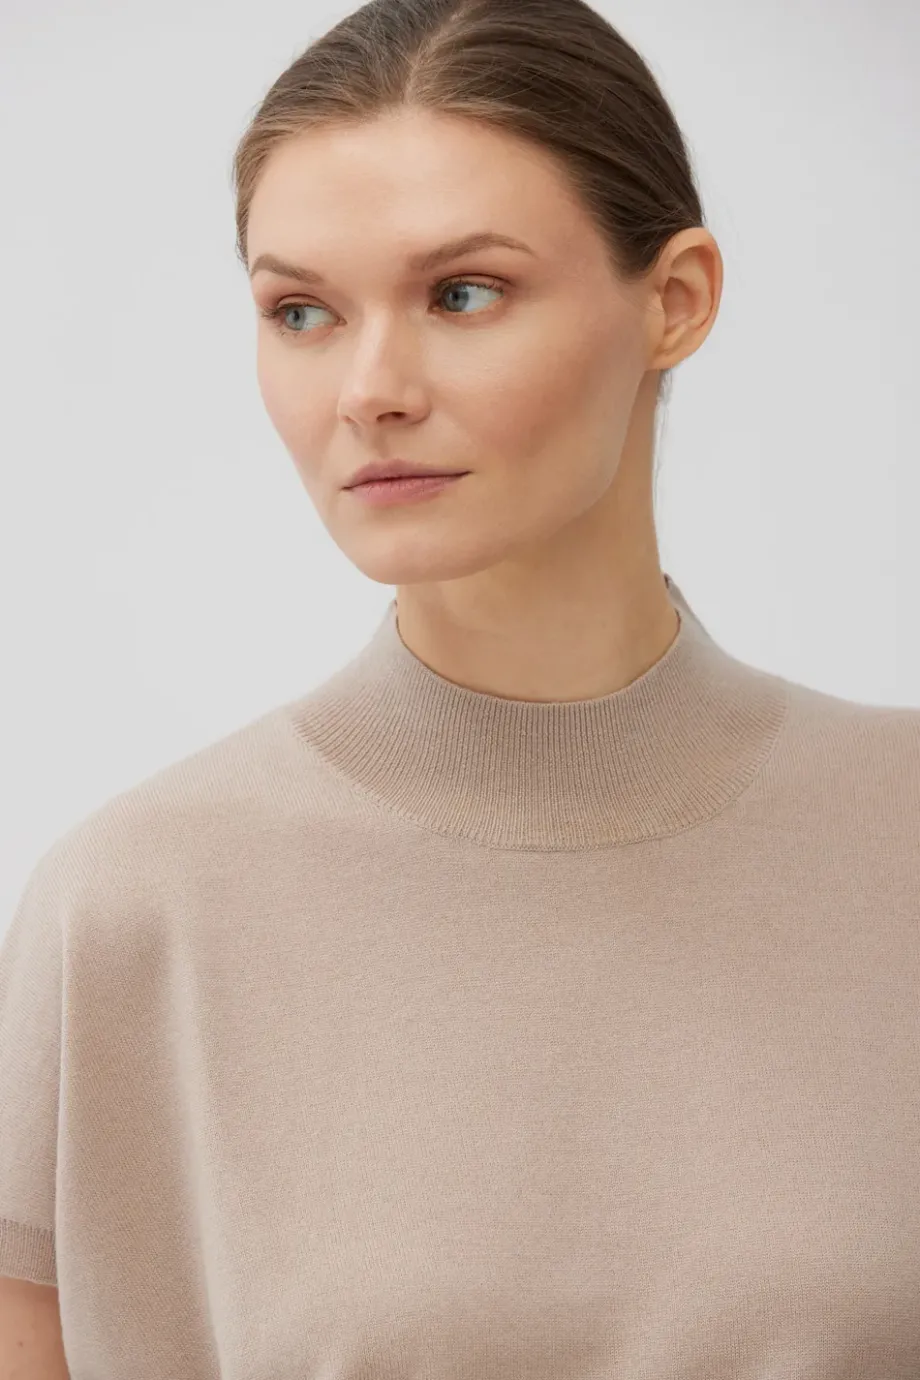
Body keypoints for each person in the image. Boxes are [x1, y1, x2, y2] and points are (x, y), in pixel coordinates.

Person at [2, 1, 918, 1376]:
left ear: (675, 300)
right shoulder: (133, 913)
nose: (369, 389)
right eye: (302, 312)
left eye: (463, 294)